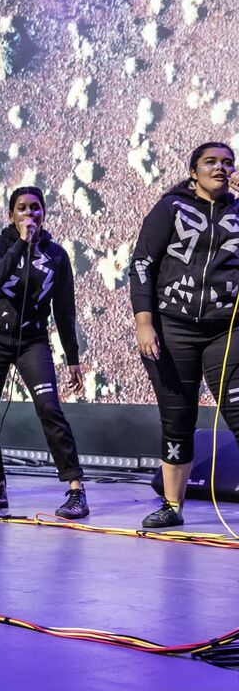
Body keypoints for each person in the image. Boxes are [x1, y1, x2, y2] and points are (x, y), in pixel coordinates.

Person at [130, 143, 239, 528]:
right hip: (171, 326)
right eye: (211, 162)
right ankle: (173, 507)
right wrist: (145, 322)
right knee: (178, 419)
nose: (221, 168)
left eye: (228, 162)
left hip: (226, 330)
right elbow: (142, 264)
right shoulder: (171, 208)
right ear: (193, 172)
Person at [0, 187, 87, 518]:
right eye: (22, 209)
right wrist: (22, 242)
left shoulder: (56, 256)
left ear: (44, 213)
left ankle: (76, 489)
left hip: (32, 341)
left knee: (50, 408)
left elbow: (65, 311)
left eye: (35, 208)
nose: (29, 214)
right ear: (11, 215)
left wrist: (73, 358)